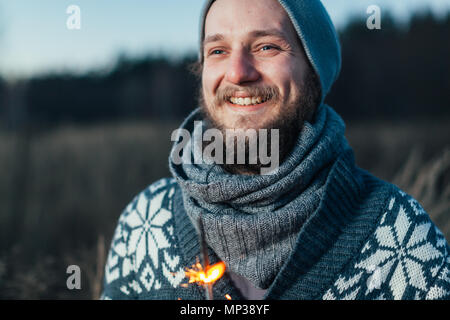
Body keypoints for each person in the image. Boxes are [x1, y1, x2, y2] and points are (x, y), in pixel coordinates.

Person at [101, 0, 450, 300]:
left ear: (313, 70)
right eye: (218, 50)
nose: (238, 73)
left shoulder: (400, 237)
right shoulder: (144, 223)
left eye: (267, 46)